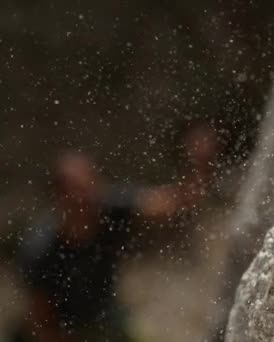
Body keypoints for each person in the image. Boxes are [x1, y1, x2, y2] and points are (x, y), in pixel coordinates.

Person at [11, 124, 219, 342]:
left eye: (90, 187)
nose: (87, 198)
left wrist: (199, 166)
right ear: (59, 199)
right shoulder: (41, 250)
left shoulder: (111, 209)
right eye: (77, 192)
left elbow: (178, 204)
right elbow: (44, 324)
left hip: (107, 321)